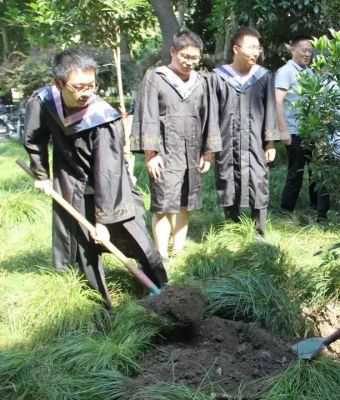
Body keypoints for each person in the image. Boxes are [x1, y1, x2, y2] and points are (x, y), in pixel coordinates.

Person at [23, 49, 168, 308]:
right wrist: (41, 174)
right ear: (59, 83)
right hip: (70, 181)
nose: (86, 93)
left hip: (112, 187)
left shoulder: (102, 118)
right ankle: (98, 304)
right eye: (78, 87)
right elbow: (35, 138)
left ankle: (164, 294)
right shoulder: (43, 102)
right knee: (81, 243)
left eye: (91, 85)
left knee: (136, 236)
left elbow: (108, 173)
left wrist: (103, 221)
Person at [131, 31, 221, 258]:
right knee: (163, 204)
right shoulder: (156, 77)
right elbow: (148, 115)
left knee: (184, 202)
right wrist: (151, 154)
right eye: (185, 56)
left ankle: (178, 249)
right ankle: (161, 254)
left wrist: (208, 153)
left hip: (192, 151)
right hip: (164, 152)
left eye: (194, 58)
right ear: (173, 52)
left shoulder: (202, 81)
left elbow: (210, 117)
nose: (189, 62)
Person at [211, 26, 280, 236]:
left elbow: (271, 109)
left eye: (258, 48)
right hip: (227, 142)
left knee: (258, 181)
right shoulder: (218, 77)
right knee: (227, 180)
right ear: (236, 49)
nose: (256, 52)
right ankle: (232, 228)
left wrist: (270, 143)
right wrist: (210, 147)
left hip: (256, 143)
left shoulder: (263, 76)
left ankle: (260, 231)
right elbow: (211, 114)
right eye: (251, 47)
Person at [276, 34, 319, 214]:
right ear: (293, 49)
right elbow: (278, 101)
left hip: (311, 131)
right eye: (304, 50)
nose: (308, 54)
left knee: (316, 170)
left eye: (310, 51)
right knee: (297, 171)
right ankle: (286, 210)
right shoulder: (285, 71)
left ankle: (316, 208)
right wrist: (283, 131)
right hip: (294, 131)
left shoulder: (309, 72)